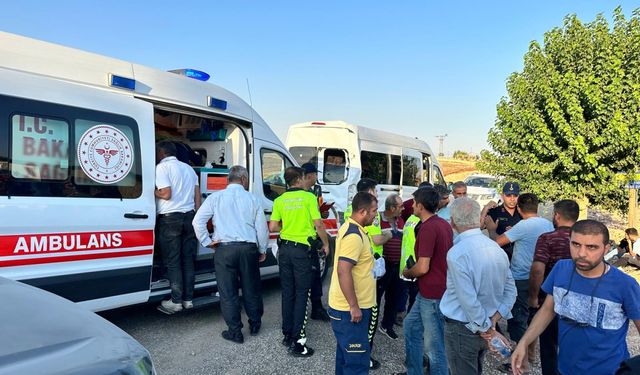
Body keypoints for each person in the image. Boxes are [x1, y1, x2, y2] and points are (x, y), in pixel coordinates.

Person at [511, 220, 640, 375]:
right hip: (564, 369)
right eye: (576, 244)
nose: (581, 254)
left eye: (592, 247)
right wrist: (524, 342)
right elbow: (547, 310)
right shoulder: (561, 269)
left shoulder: (625, 285)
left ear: (606, 249)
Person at [440, 197, 517, 375]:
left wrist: (488, 329)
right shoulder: (496, 248)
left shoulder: (457, 253)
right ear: (479, 219)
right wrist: (494, 320)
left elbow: (468, 300)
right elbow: (510, 291)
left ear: (452, 221)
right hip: (486, 322)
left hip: (463, 327)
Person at [192, 165, 268, 343]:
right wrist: (262, 249)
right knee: (252, 288)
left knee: (228, 292)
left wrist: (207, 241)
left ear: (229, 180)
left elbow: (198, 221)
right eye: (247, 180)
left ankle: (235, 332)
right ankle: (255, 324)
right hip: (248, 249)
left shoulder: (215, 197)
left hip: (224, 249)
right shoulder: (253, 199)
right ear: (243, 179)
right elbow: (262, 229)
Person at [269, 166, 330, 357]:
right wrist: (326, 244)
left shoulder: (279, 200)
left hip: (285, 250)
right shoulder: (308, 198)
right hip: (302, 252)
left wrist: (288, 225)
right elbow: (318, 224)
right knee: (303, 293)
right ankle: (298, 342)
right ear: (300, 179)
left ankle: (287, 334)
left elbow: (273, 226)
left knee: (288, 293)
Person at [494, 193, 553, 372]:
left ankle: (521, 363)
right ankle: (531, 355)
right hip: (541, 277)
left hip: (521, 278)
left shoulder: (523, 225)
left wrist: (491, 229)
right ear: (536, 207)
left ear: (519, 209)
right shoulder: (547, 224)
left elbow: (498, 242)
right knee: (533, 317)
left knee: (517, 320)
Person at [400, 187, 453, 375]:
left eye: (414, 203)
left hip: (432, 294)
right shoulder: (443, 224)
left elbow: (422, 267)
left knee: (434, 347)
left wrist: (408, 272)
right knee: (411, 327)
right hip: (431, 291)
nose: (412, 206)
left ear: (420, 206)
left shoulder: (428, 228)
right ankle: (414, 371)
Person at [328, 192, 379, 375]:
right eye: (373, 211)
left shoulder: (353, 228)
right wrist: (354, 306)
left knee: (345, 357)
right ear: (363, 211)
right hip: (349, 311)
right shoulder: (354, 236)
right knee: (356, 363)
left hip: (349, 309)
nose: (376, 215)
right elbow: (343, 270)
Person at [344, 177, 391, 370]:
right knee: (371, 312)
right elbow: (378, 239)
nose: (377, 195)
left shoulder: (351, 211)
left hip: (362, 266)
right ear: (368, 192)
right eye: (375, 191)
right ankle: (365, 355)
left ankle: (355, 351)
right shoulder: (368, 213)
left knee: (360, 313)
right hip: (368, 267)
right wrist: (390, 234)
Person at [528, 199, 578, 375]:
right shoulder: (583, 241)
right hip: (578, 301)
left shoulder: (547, 238)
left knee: (549, 348)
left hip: (550, 301)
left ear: (557, 215)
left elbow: (537, 269)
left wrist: (534, 296)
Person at [155, 140, 201, 314]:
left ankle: (175, 301)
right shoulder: (189, 169)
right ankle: (188, 300)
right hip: (189, 217)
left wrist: (152, 192)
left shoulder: (161, 168)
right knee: (188, 260)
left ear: (161, 153)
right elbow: (197, 198)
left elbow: (166, 194)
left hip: (170, 219)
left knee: (173, 261)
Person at [300, 162, 331, 322]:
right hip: (304, 242)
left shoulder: (313, 193)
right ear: (309, 175)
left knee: (316, 277)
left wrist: (323, 212)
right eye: (316, 175)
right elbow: (317, 223)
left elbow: (318, 217)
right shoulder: (303, 195)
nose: (317, 178)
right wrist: (326, 243)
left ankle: (316, 307)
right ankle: (306, 311)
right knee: (308, 277)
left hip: (310, 240)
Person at [377, 194, 405, 340]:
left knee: (393, 298)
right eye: (400, 206)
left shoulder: (401, 220)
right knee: (375, 298)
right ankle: (371, 326)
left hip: (397, 265)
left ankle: (387, 325)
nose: (403, 209)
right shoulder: (377, 219)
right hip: (383, 264)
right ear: (392, 207)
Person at [483, 182, 522, 260]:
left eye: (515, 195)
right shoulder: (494, 212)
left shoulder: (522, 212)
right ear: (502, 196)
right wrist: (484, 209)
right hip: (499, 256)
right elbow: (478, 227)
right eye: (508, 195)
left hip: (519, 256)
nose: (512, 199)